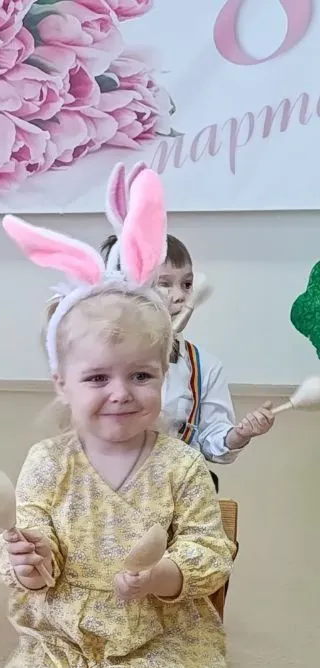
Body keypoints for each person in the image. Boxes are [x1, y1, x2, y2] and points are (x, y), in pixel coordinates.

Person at [0, 166, 235, 668]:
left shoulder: (180, 467)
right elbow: (26, 545)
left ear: (166, 376)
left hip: (162, 637)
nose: (121, 393)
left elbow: (209, 548)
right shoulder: (47, 463)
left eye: (141, 376)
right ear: (62, 383)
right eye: (97, 377)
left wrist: (168, 575)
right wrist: (29, 564)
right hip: (65, 636)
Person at [98, 167, 273, 492]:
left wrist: (240, 434)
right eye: (164, 284)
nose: (179, 295)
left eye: (187, 284)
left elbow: (213, 442)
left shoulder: (203, 366)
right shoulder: (98, 360)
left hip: (177, 494)